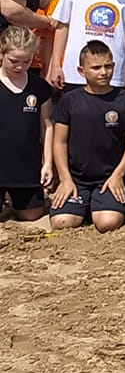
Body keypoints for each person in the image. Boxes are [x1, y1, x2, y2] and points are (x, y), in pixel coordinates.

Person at [48, 39, 125, 231]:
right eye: (96, 67)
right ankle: (83, 204)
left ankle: (100, 204)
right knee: (62, 222)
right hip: (76, 179)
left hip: (109, 178)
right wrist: (65, 178)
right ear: (81, 71)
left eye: (108, 66)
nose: (103, 72)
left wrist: (119, 174)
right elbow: (59, 142)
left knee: (108, 223)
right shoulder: (69, 100)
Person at [0, 24, 54, 224]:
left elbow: (47, 126)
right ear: (1, 54)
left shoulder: (39, 87)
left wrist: (47, 163)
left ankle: (16, 201)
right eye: (14, 61)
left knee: (31, 215)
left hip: (26, 165)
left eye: (26, 61)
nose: (20, 66)